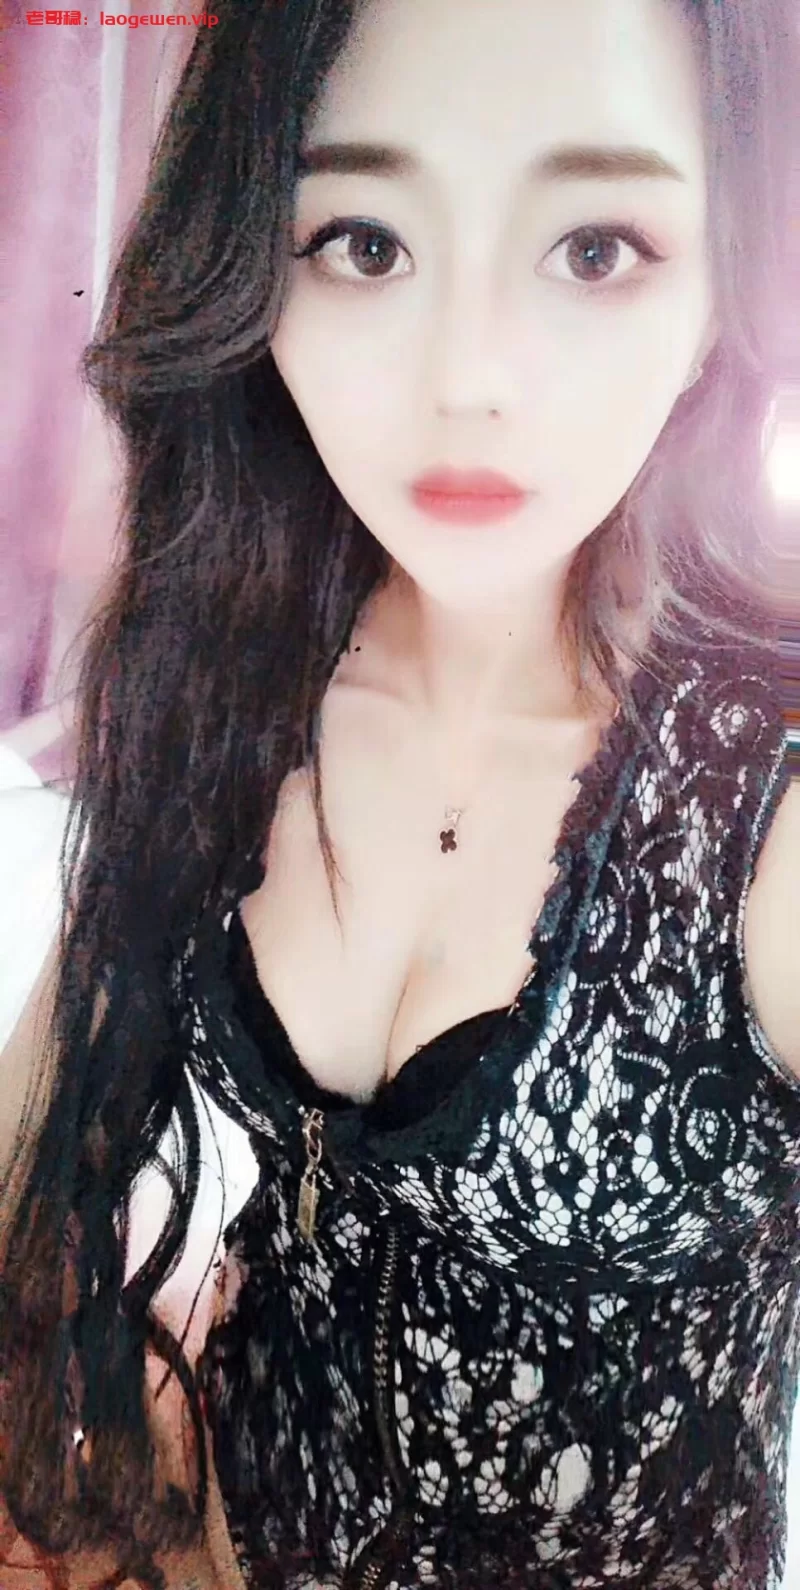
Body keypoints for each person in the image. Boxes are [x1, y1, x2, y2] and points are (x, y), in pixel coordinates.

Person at [1, 0, 799, 1586]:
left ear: (732, 281)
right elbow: (37, 1111)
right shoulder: (231, 665)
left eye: (595, 250)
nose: (467, 378)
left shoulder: (766, 804)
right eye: (362, 242)